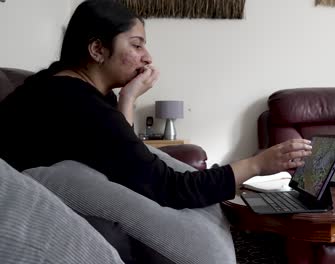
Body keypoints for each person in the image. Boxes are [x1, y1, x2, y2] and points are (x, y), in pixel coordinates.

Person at [0, 0, 312, 209]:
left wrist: (128, 98)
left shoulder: (63, 86)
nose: (147, 57)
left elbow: (123, 160)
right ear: (97, 49)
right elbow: (169, 189)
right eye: (136, 45)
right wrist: (257, 164)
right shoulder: (77, 103)